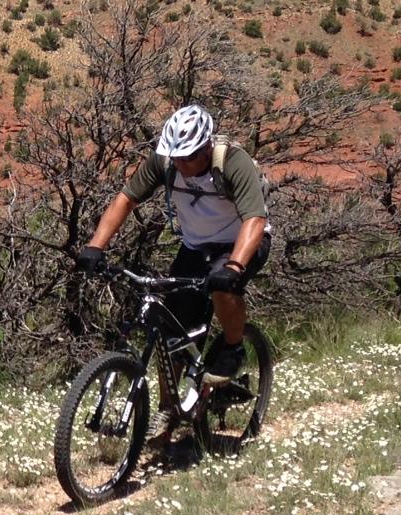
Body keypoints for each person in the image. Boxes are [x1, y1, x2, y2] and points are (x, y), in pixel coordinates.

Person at [77, 104, 269, 380]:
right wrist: (95, 247)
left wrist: (234, 267)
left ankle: (233, 348)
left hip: (241, 241)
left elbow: (254, 219)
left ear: (206, 147)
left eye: (188, 157)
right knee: (171, 333)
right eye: (175, 157)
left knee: (222, 287)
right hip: (195, 246)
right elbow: (126, 199)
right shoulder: (165, 162)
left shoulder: (232, 162)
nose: (180, 164)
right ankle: (168, 412)